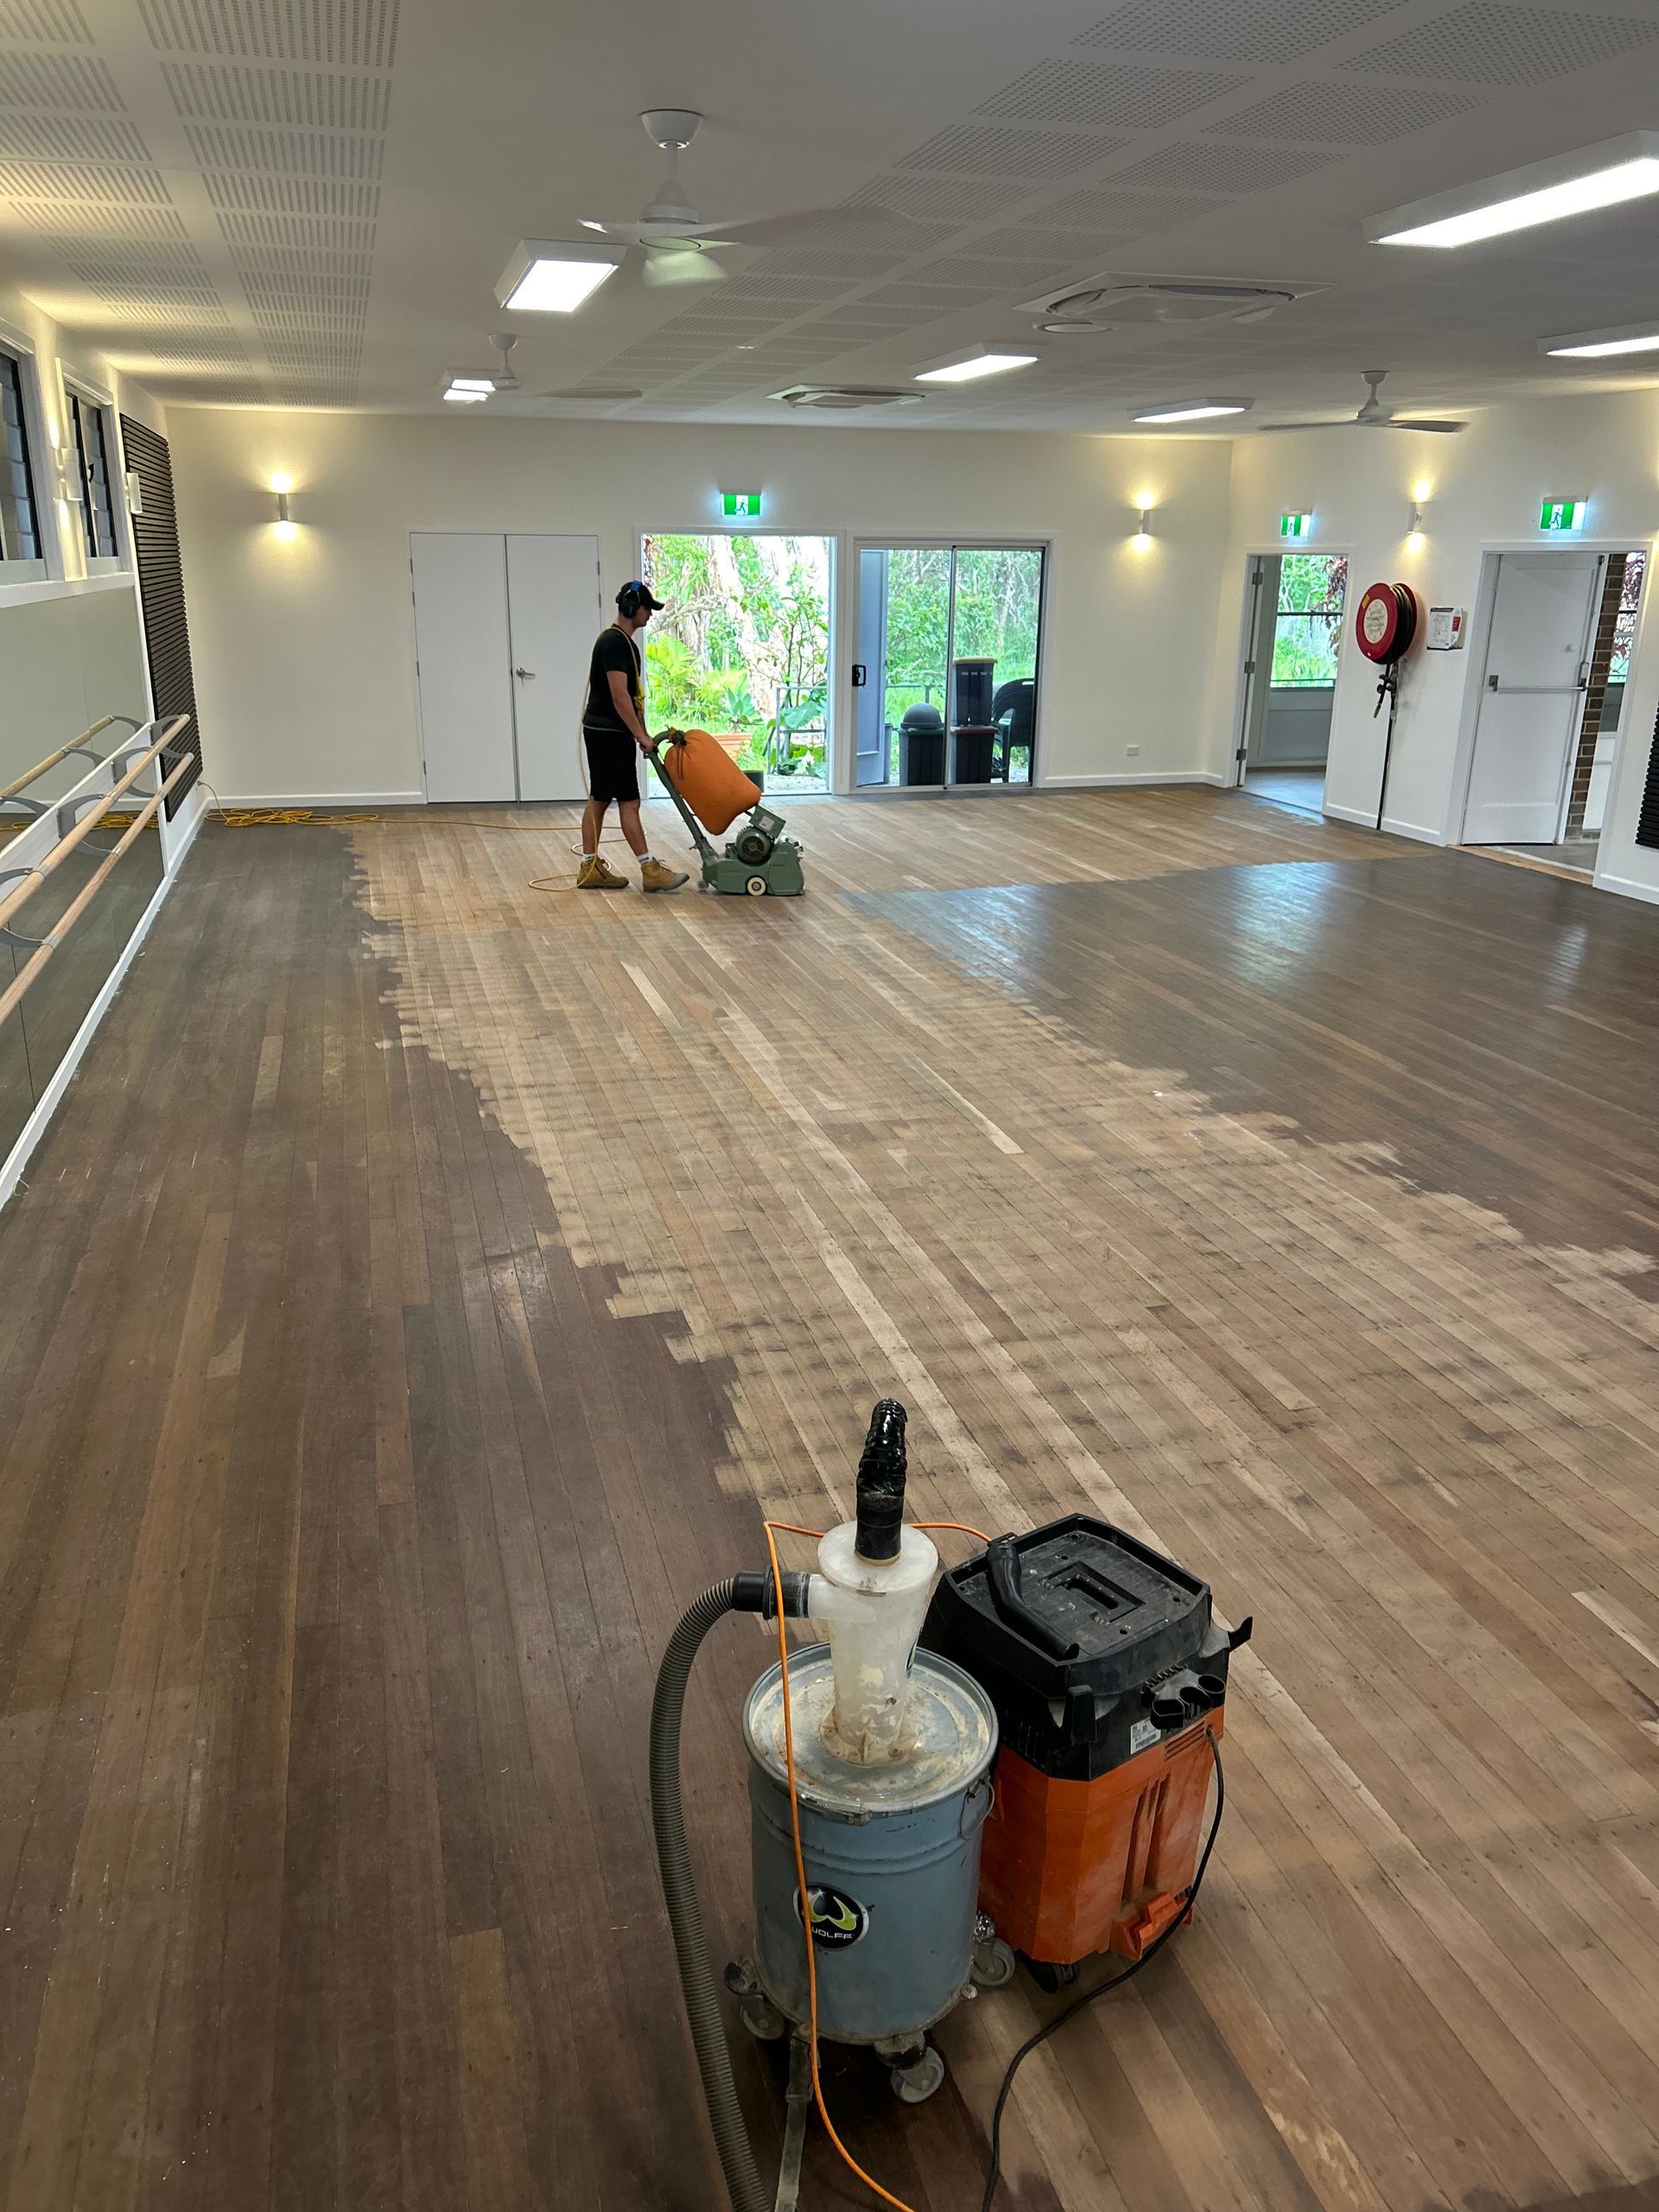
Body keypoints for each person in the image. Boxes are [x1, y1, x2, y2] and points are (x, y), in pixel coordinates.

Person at [577, 580, 688, 893]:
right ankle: (649, 869)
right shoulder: (614, 643)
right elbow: (618, 696)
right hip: (609, 733)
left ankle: (590, 868)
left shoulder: (622, 642)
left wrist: (643, 732)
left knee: (599, 798)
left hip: (605, 731)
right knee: (629, 800)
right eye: (646, 608)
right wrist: (639, 735)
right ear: (630, 608)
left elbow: (630, 696)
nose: (649, 614)